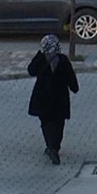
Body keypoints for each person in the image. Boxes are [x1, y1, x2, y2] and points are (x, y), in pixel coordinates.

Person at [28, 35, 79, 165]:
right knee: (59, 124)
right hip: (59, 99)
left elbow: (31, 71)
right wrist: (74, 88)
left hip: (42, 99)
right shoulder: (63, 60)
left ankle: (50, 146)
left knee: (45, 123)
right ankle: (55, 147)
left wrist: (40, 54)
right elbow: (71, 78)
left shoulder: (41, 59)